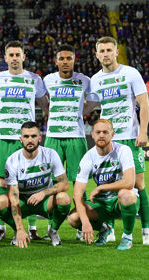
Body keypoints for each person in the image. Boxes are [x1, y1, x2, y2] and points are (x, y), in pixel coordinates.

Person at [87, 36, 149, 244]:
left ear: (116, 52)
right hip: (108, 142)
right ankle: (110, 228)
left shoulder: (130, 73)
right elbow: (92, 106)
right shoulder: (95, 80)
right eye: (101, 51)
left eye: (108, 50)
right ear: (96, 55)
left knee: (139, 184)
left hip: (130, 137)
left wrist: (143, 132)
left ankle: (146, 230)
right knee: (110, 182)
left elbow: (143, 102)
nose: (105, 54)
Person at [0, 40, 49, 241]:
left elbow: (44, 104)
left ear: (24, 57)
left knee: (30, 182)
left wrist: (47, 120)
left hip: (27, 139)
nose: (14, 58)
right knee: (3, 181)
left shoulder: (34, 79)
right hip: (5, 137)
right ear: (5, 58)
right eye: (11, 55)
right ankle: (2, 228)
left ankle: (32, 228)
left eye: (18, 54)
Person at [0, 121, 70, 248]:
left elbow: (64, 184)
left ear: (40, 138)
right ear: (20, 139)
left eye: (34, 136)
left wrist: (43, 193)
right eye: (26, 136)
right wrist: (19, 228)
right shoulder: (12, 161)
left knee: (64, 198)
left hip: (45, 201)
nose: (30, 140)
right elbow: (13, 197)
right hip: (23, 202)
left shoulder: (50, 154)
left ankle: (53, 231)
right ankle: (18, 231)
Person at [43, 44, 91, 240]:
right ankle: (51, 227)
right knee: (51, 183)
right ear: (56, 61)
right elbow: (43, 102)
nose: (65, 62)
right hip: (53, 137)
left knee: (80, 182)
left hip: (76, 137)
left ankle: (81, 226)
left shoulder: (84, 81)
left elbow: (94, 102)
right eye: (61, 58)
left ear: (74, 60)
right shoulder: (48, 80)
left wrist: (80, 112)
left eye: (68, 58)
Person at [68, 119, 138, 250]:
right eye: (98, 132)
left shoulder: (123, 150)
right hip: (102, 203)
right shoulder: (88, 157)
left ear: (112, 135)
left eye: (105, 132)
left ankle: (127, 237)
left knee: (126, 194)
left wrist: (101, 187)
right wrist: (85, 222)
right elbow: (77, 195)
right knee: (73, 218)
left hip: (120, 200)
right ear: (92, 134)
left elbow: (129, 183)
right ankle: (104, 229)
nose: (101, 135)